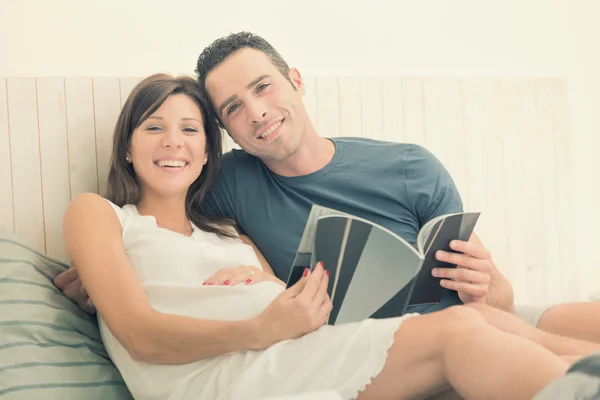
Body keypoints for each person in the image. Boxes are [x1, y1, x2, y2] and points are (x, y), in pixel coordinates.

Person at [62, 72, 595, 400]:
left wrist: (278, 301)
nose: (172, 143)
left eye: (190, 130)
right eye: (154, 128)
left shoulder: (228, 235)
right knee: (457, 335)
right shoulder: (102, 215)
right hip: (227, 374)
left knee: (473, 317)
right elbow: (140, 334)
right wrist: (263, 326)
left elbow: (291, 310)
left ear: (207, 152)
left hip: (291, 349)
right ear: (128, 147)